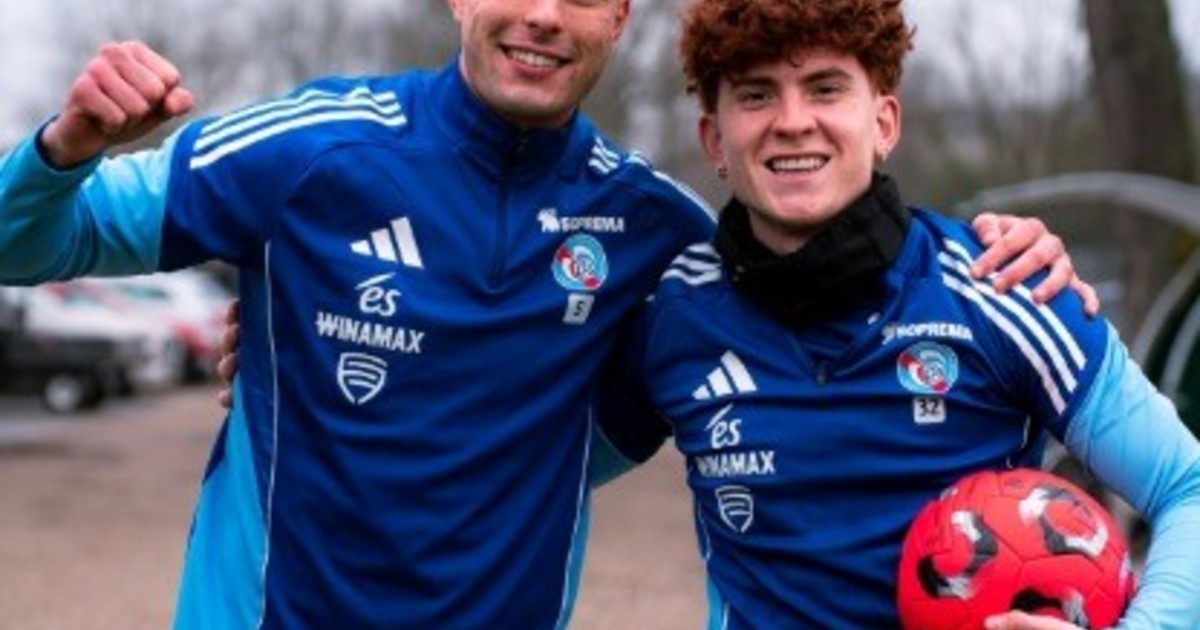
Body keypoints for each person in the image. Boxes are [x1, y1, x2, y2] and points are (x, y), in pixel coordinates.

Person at [0, 0, 1091, 628]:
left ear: (617, 17)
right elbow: (27, 244)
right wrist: (64, 150)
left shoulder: (653, 228)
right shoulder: (307, 148)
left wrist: (998, 256)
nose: (542, 16)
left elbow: (799, 294)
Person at [594, 0, 1200, 628]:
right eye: (756, 95)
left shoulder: (1006, 286)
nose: (793, 121)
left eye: (825, 88)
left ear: (884, 123)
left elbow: (1188, 486)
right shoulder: (673, 314)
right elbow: (545, 465)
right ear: (715, 139)